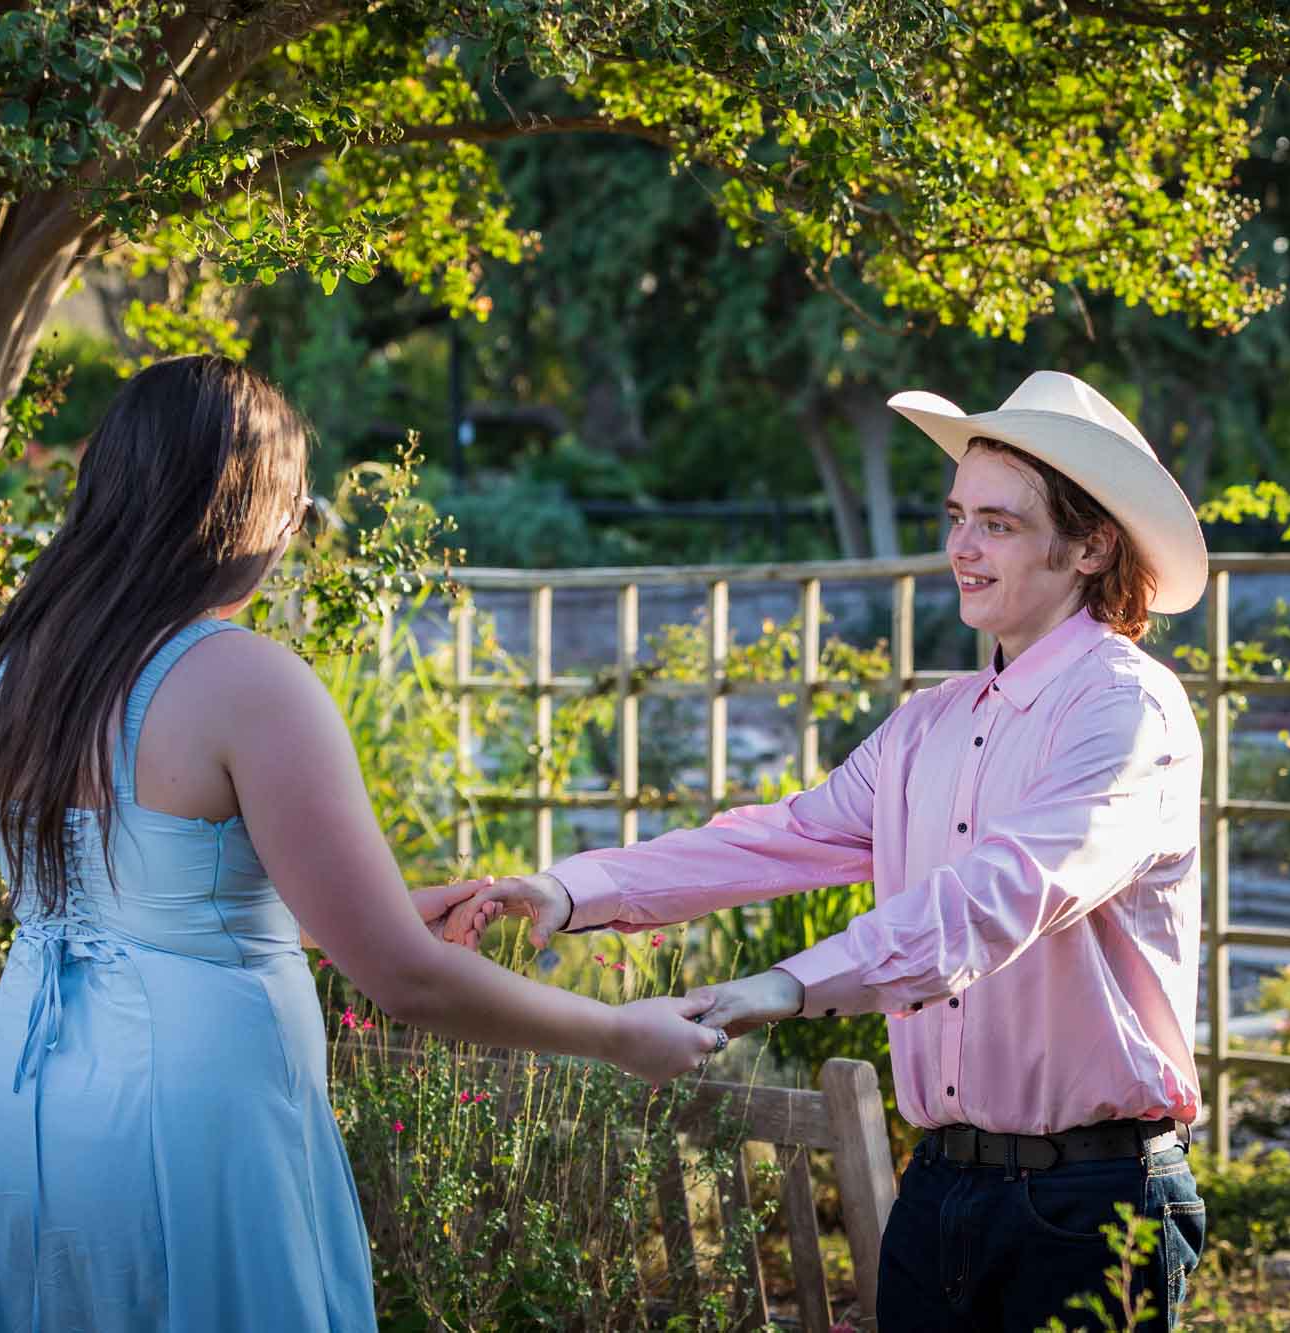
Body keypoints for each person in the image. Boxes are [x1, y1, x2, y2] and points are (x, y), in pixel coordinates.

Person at [0, 356, 724, 1331]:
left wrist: (361, 917)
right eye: (298, 501)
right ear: (250, 509)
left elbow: (140, 908)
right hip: (192, 1119)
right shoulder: (244, 682)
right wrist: (617, 1034)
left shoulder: (16, 670)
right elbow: (409, 981)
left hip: (28, 1097)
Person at [450, 371, 1211, 1330]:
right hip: (938, 1186)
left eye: (997, 525)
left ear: (1092, 543)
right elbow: (779, 838)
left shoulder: (1129, 711)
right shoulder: (927, 726)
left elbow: (1000, 897)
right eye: (954, 516)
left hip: (1092, 1200)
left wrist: (781, 986)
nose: (960, 549)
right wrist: (562, 892)